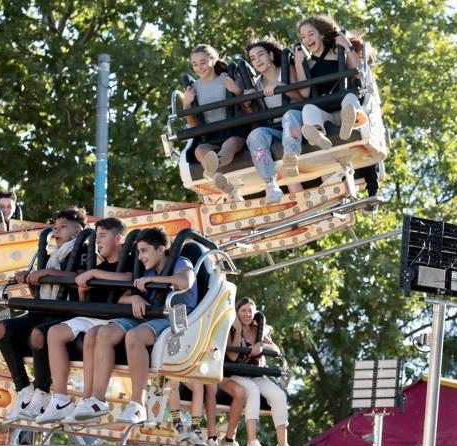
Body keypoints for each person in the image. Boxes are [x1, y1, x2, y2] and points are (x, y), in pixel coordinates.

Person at [72, 227, 198, 426]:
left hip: (174, 316)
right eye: (139, 251)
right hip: (147, 314)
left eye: (145, 251)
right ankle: (97, 400)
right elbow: (125, 296)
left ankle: (137, 403)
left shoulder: (180, 262)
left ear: (161, 249)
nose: (140, 256)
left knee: (134, 337)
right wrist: (135, 297)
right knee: (101, 333)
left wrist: (152, 280)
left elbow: (185, 281)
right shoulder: (146, 269)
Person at [35, 218, 132, 424]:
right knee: (54, 332)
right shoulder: (100, 265)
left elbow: (128, 278)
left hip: (113, 318)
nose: (97, 241)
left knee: (92, 336)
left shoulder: (130, 259)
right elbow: (85, 302)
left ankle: (91, 398)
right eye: (96, 236)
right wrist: (82, 289)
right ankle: (61, 399)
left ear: (118, 238)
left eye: (102, 236)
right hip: (93, 315)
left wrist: (95, 273)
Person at [0, 207, 87, 424]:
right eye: (55, 228)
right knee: (2, 328)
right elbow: (39, 293)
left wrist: (46, 273)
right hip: (43, 310)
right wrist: (30, 278)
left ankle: (43, 391)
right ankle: (23, 390)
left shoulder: (82, 251)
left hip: (67, 313)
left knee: (38, 334)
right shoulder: (52, 255)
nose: (57, 232)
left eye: (63, 227)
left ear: (78, 230)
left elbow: (81, 279)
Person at [295, 15, 379, 203]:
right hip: (327, 115)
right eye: (303, 37)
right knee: (308, 108)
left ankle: (350, 123)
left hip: (345, 109)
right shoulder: (307, 64)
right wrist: (299, 63)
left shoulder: (338, 52)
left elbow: (359, 73)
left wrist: (347, 46)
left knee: (349, 98)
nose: (308, 40)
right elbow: (305, 92)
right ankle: (318, 134)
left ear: (322, 34)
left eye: (311, 34)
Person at [225, 297, 296, 446]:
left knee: (279, 396)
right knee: (252, 390)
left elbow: (276, 349)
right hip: (238, 374)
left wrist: (261, 346)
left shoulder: (259, 330)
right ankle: (252, 441)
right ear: (237, 313)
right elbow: (233, 356)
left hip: (257, 374)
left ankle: (282, 445)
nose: (247, 314)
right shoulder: (232, 329)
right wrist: (236, 330)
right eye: (243, 311)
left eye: (250, 310)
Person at [244, 36, 305, 204]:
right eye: (253, 58)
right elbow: (254, 114)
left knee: (289, 115)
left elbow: (302, 97)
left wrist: (281, 87)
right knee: (255, 134)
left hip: (298, 122)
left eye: (261, 54)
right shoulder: (258, 85)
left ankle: (291, 155)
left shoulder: (285, 70)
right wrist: (248, 102)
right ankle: (270, 183)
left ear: (271, 55)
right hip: (278, 129)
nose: (257, 60)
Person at [184, 44, 246, 200]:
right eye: (195, 64)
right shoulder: (194, 88)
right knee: (200, 151)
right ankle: (218, 176)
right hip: (211, 135)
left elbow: (247, 107)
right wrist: (186, 103)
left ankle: (213, 169)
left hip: (233, 131)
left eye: (203, 62)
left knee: (229, 144)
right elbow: (193, 124)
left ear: (213, 60)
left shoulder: (227, 79)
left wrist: (237, 91)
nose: (199, 67)